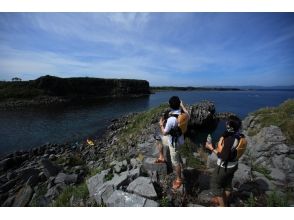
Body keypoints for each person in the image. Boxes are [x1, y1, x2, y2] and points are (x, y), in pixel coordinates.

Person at [205, 115, 247, 207]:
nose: (226, 123)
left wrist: (211, 148)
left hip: (225, 167)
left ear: (230, 126)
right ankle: (225, 199)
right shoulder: (239, 135)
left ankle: (222, 206)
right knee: (227, 184)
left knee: (215, 184)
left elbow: (223, 156)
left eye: (227, 122)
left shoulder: (229, 140)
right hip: (234, 165)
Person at [155, 96, 190, 190]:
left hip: (174, 143)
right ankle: (162, 157)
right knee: (159, 138)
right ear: (179, 104)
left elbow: (164, 132)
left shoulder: (171, 119)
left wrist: (161, 124)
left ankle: (179, 179)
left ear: (170, 105)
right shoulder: (185, 115)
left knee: (175, 162)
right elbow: (186, 111)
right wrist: (182, 105)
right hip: (181, 139)